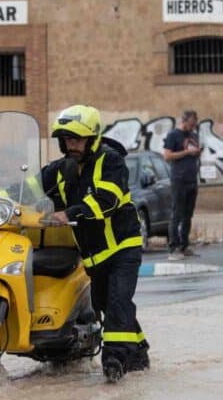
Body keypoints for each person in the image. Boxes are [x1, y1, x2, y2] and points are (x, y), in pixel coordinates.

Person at [42, 105, 149, 383]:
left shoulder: (111, 161)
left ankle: (114, 363)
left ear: (92, 139)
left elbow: (107, 199)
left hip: (123, 248)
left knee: (117, 302)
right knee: (106, 305)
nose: (71, 145)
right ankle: (139, 353)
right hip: (95, 257)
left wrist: (69, 213)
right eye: (66, 140)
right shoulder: (61, 169)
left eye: (77, 139)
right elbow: (28, 186)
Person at [163, 109, 202, 261]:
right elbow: (167, 155)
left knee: (188, 214)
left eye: (194, 124)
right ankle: (173, 248)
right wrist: (187, 152)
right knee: (177, 213)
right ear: (184, 121)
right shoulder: (173, 135)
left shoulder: (193, 135)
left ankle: (184, 246)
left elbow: (194, 153)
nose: (192, 127)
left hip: (192, 179)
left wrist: (197, 152)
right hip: (178, 180)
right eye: (190, 124)